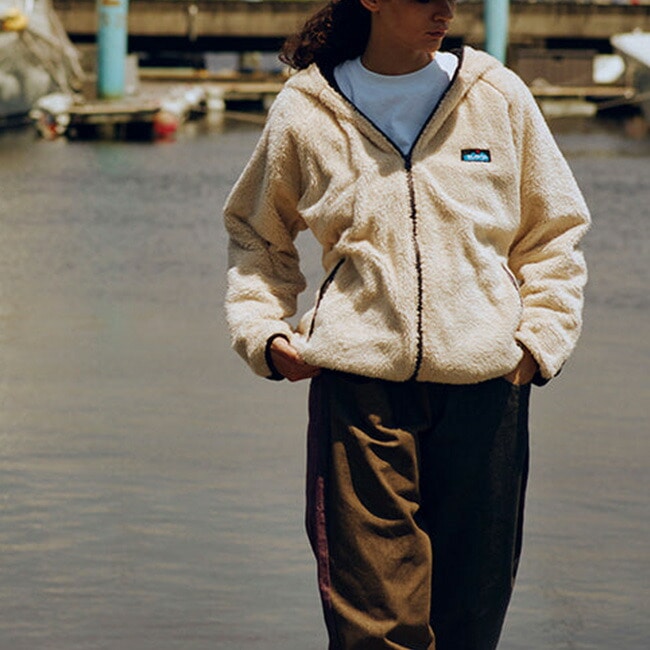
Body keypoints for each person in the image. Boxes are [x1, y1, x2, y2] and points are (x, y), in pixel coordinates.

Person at [223, 0, 590, 647]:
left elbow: (553, 234)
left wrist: (539, 342)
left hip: (487, 389)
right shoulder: (307, 108)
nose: (445, 9)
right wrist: (264, 333)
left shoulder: (496, 95)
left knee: (470, 622)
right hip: (360, 395)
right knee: (377, 629)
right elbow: (257, 236)